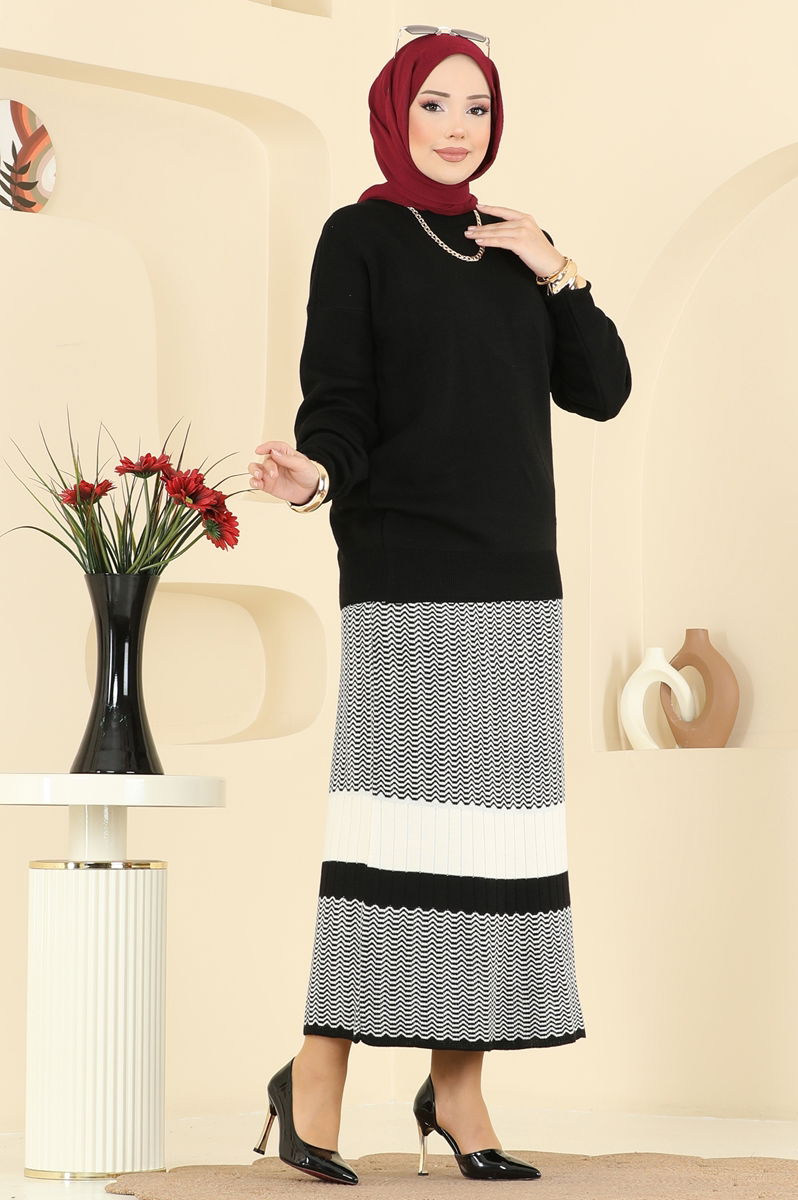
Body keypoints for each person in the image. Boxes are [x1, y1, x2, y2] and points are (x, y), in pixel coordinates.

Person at [247, 27, 631, 1187]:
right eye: (434, 104)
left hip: (517, 577)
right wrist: (315, 475)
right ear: (394, 114)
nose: (456, 127)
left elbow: (601, 390)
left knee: (495, 846)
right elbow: (339, 398)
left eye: (475, 107)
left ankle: (455, 1089)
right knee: (393, 836)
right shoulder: (359, 237)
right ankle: (315, 1073)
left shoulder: (514, 247)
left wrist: (555, 267)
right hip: (404, 572)